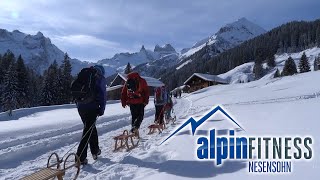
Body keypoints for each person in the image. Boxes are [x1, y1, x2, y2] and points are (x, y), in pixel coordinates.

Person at [75, 65, 107, 165]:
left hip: (81, 107)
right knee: (88, 131)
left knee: (90, 128)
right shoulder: (99, 78)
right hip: (91, 107)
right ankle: (80, 157)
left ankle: (95, 150)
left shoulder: (84, 74)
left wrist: (79, 106)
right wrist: (101, 109)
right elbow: (102, 95)